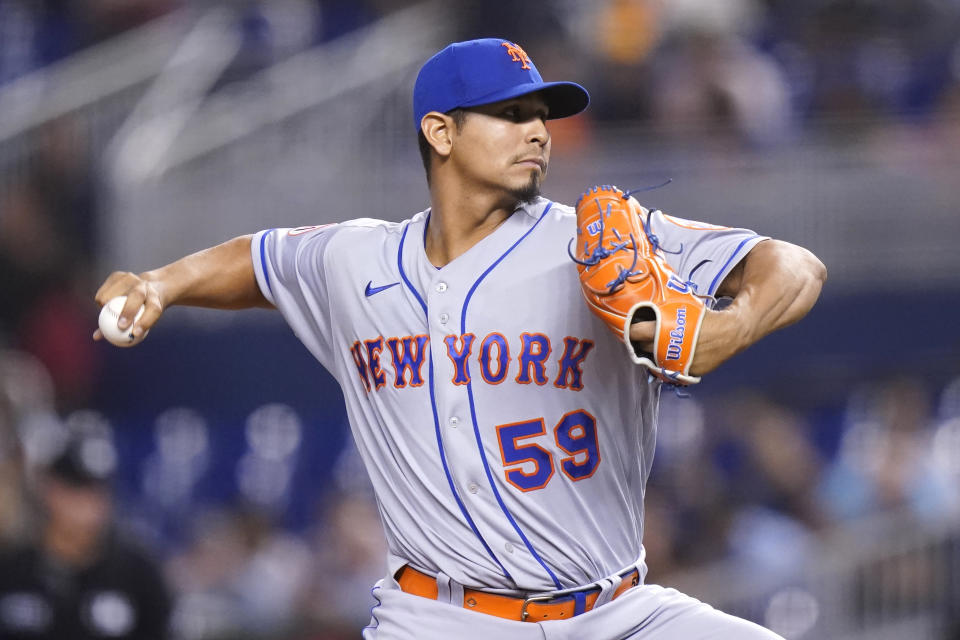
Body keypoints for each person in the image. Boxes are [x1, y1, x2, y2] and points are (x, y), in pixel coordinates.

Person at [94, 38, 826, 639]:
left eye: (542, 113)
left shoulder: (599, 243)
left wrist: (727, 326)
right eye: (509, 113)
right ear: (440, 131)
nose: (538, 130)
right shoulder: (359, 259)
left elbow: (794, 266)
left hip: (614, 613)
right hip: (439, 619)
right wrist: (161, 283)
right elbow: (258, 259)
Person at [0, 432, 172, 639]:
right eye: (76, 487)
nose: (88, 504)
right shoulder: (11, 571)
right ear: (48, 488)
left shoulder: (138, 576)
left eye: (97, 489)